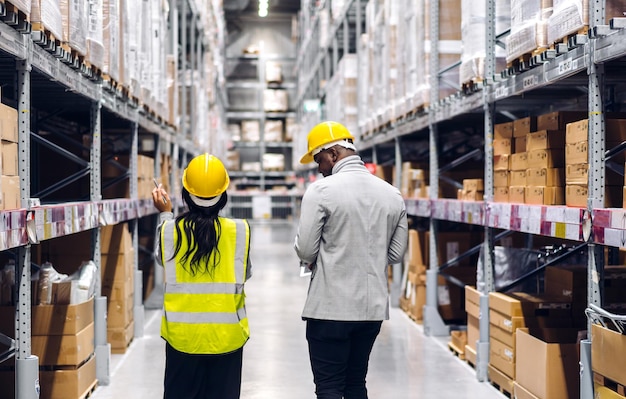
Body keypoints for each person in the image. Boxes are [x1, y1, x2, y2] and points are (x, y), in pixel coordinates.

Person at [294, 121, 409, 399]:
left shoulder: (321, 192)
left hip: (330, 310)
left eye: (319, 159)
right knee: (356, 383)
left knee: (330, 386)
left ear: (333, 154)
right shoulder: (392, 194)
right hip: (371, 313)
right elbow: (395, 254)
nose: (319, 168)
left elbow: (306, 250)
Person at [152, 153, 252, 399]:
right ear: (223, 195)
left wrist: (165, 213)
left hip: (182, 341)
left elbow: (161, 259)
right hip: (227, 339)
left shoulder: (169, 231)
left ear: (186, 195)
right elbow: (245, 273)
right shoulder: (239, 230)